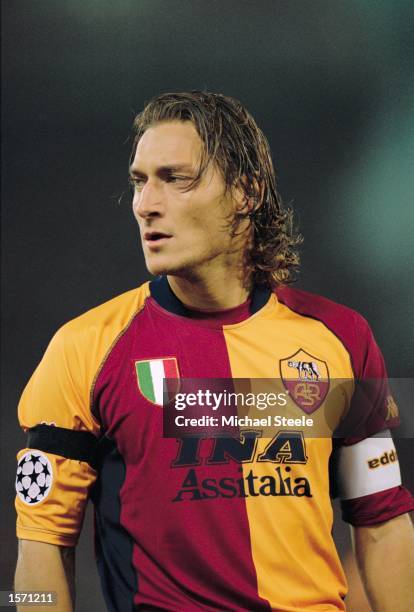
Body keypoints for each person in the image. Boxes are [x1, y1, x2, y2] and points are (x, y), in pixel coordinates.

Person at [15, 91, 414, 611]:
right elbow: (41, 543)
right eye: (140, 180)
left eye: (175, 178)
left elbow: (383, 521)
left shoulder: (340, 337)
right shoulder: (83, 348)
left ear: (246, 193)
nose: (145, 203)